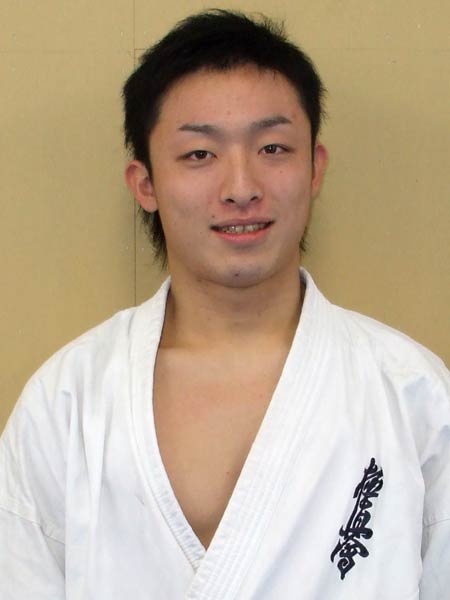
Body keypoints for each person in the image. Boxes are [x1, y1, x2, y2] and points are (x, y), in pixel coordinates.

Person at [1, 9, 449, 599]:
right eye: (199, 154)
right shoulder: (68, 402)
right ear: (145, 183)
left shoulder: (413, 395)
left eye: (273, 147)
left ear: (314, 168)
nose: (241, 188)